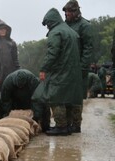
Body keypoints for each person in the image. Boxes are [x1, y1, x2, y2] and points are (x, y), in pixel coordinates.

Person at [39, 8, 82, 136]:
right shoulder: (72, 32)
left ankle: (61, 126)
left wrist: (44, 69)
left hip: (61, 70)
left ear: (51, 22)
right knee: (69, 97)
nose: (47, 27)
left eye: (47, 24)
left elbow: (52, 53)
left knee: (55, 97)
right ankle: (70, 125)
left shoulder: (56, 32)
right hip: (74, 70)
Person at [63, 0, 93, 132]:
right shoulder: (64, 25)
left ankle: (76, 125)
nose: (67, 14)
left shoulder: (84, 26)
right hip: (65, 67)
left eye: (70, 11)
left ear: (76, 11)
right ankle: (67, 123)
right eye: (66, 11)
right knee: (65, 96)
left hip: (79, 67)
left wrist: (82, 68)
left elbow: (88, 48)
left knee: (76, 97)